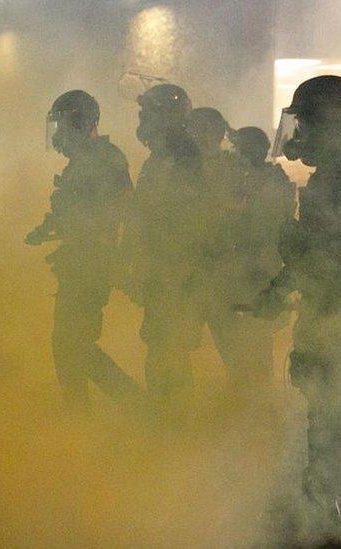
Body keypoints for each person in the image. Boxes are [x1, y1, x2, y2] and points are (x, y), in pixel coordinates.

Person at [249, 76, 341, 535]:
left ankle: (332, 512)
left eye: (305, 122)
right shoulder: (336, 175)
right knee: (328, 411)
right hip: (332, 317)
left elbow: (339, 253)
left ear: (327, 119)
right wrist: (278, 291)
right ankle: (323, 510)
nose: (300, 134)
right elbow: (311, 252)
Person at [25, 89, 140, 408]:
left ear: (82, 122)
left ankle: (136, 408)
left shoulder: (105, 159)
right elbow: (74, 209)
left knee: (73, 347)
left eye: (63, 125)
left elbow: (116, 211)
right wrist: (49, 228)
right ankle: (84, 416)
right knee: (69, 347)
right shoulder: (86, 161)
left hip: (92, 263)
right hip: (81, 262)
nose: (59, 134)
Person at [186, 110, 294, 388]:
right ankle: (249, 405)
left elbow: (257, 225)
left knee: (252, 353)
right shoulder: (258, 179)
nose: (235, 155)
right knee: (241, 353)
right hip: (241, 278)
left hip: (253, 279)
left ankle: (256, 410)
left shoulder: (267, 182)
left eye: (239, 150)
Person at [122, 83, 210, 401]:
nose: (144, 121)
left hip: (176, 274)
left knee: (169, 350)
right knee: (163, 348)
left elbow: (183, 223)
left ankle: (172, 428)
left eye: (150, 114)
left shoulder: (183, 157)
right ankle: (169, 420)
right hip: (164, 272)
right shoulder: (163, 157)